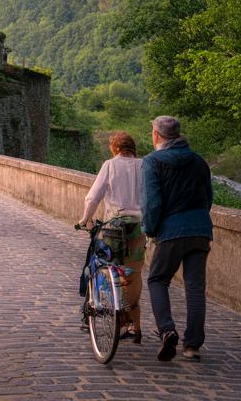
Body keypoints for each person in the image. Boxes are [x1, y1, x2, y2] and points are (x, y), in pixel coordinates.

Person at [142, 115, 213, 362]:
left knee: (157, 279)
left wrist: (150, 229)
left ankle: (167, 330)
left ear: (156, 135)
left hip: (171, 230)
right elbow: (208, 198)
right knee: (195, 288)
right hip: (200, 230)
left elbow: (152, 202)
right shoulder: (199, 162)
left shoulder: (152, 161)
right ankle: (192, 346)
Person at [79, 131, 146, 343]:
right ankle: (135, 324)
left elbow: (93, 197)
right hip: (137, 228)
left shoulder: (110, 165)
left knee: (101, 265)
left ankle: (103, 309)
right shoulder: (145, 166)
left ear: (115, 149)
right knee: (133, 275)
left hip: (113, 228)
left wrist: (84, 220)